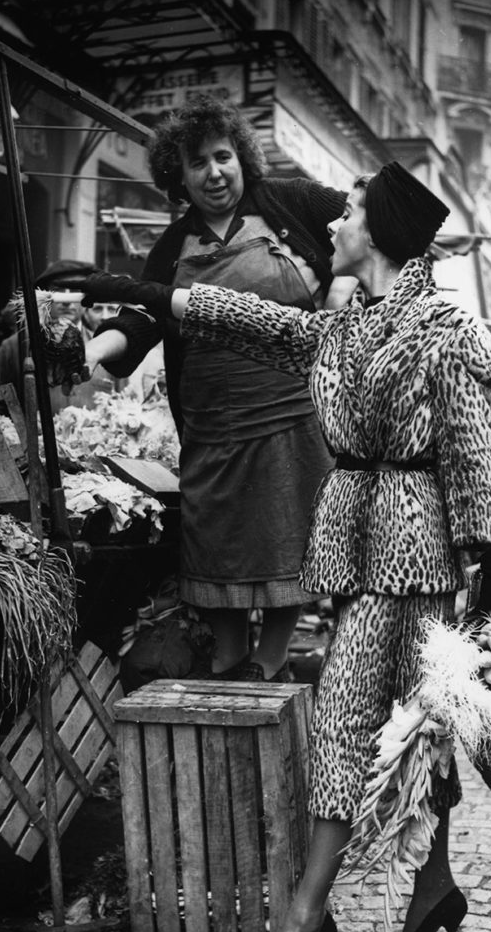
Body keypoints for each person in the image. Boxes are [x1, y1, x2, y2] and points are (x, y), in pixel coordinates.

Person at [76, 161, 491, 932]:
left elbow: (473, 450)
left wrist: (490, 572)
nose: (333, 224)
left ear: (378, 231)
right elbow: (262, 323)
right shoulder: (349, 321)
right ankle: (431, 889)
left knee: (351, 721)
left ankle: (305, 923)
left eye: (346, 213)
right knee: (419, 728)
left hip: (416, 556)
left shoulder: (448, 327)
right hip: (360, 545)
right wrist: (145, 291)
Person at [81, 95, 351, 683]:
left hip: (294, 414)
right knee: (219, 545)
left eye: (222, 156)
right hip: (212, 426)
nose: (214, 172)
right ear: (177, 177)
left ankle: (273, 661)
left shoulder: (290, 202)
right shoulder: (171, 246)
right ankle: (231, 661)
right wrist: (93, 349)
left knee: (292, 536)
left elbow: (365, 219)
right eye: (197, 163)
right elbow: (141, 318)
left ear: (242, 157)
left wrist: (340, 290)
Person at [0, 259, 118, 411]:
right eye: (59, 290)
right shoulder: (14, 348)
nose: (67, 301)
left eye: (76, 291)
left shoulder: (106, 347)